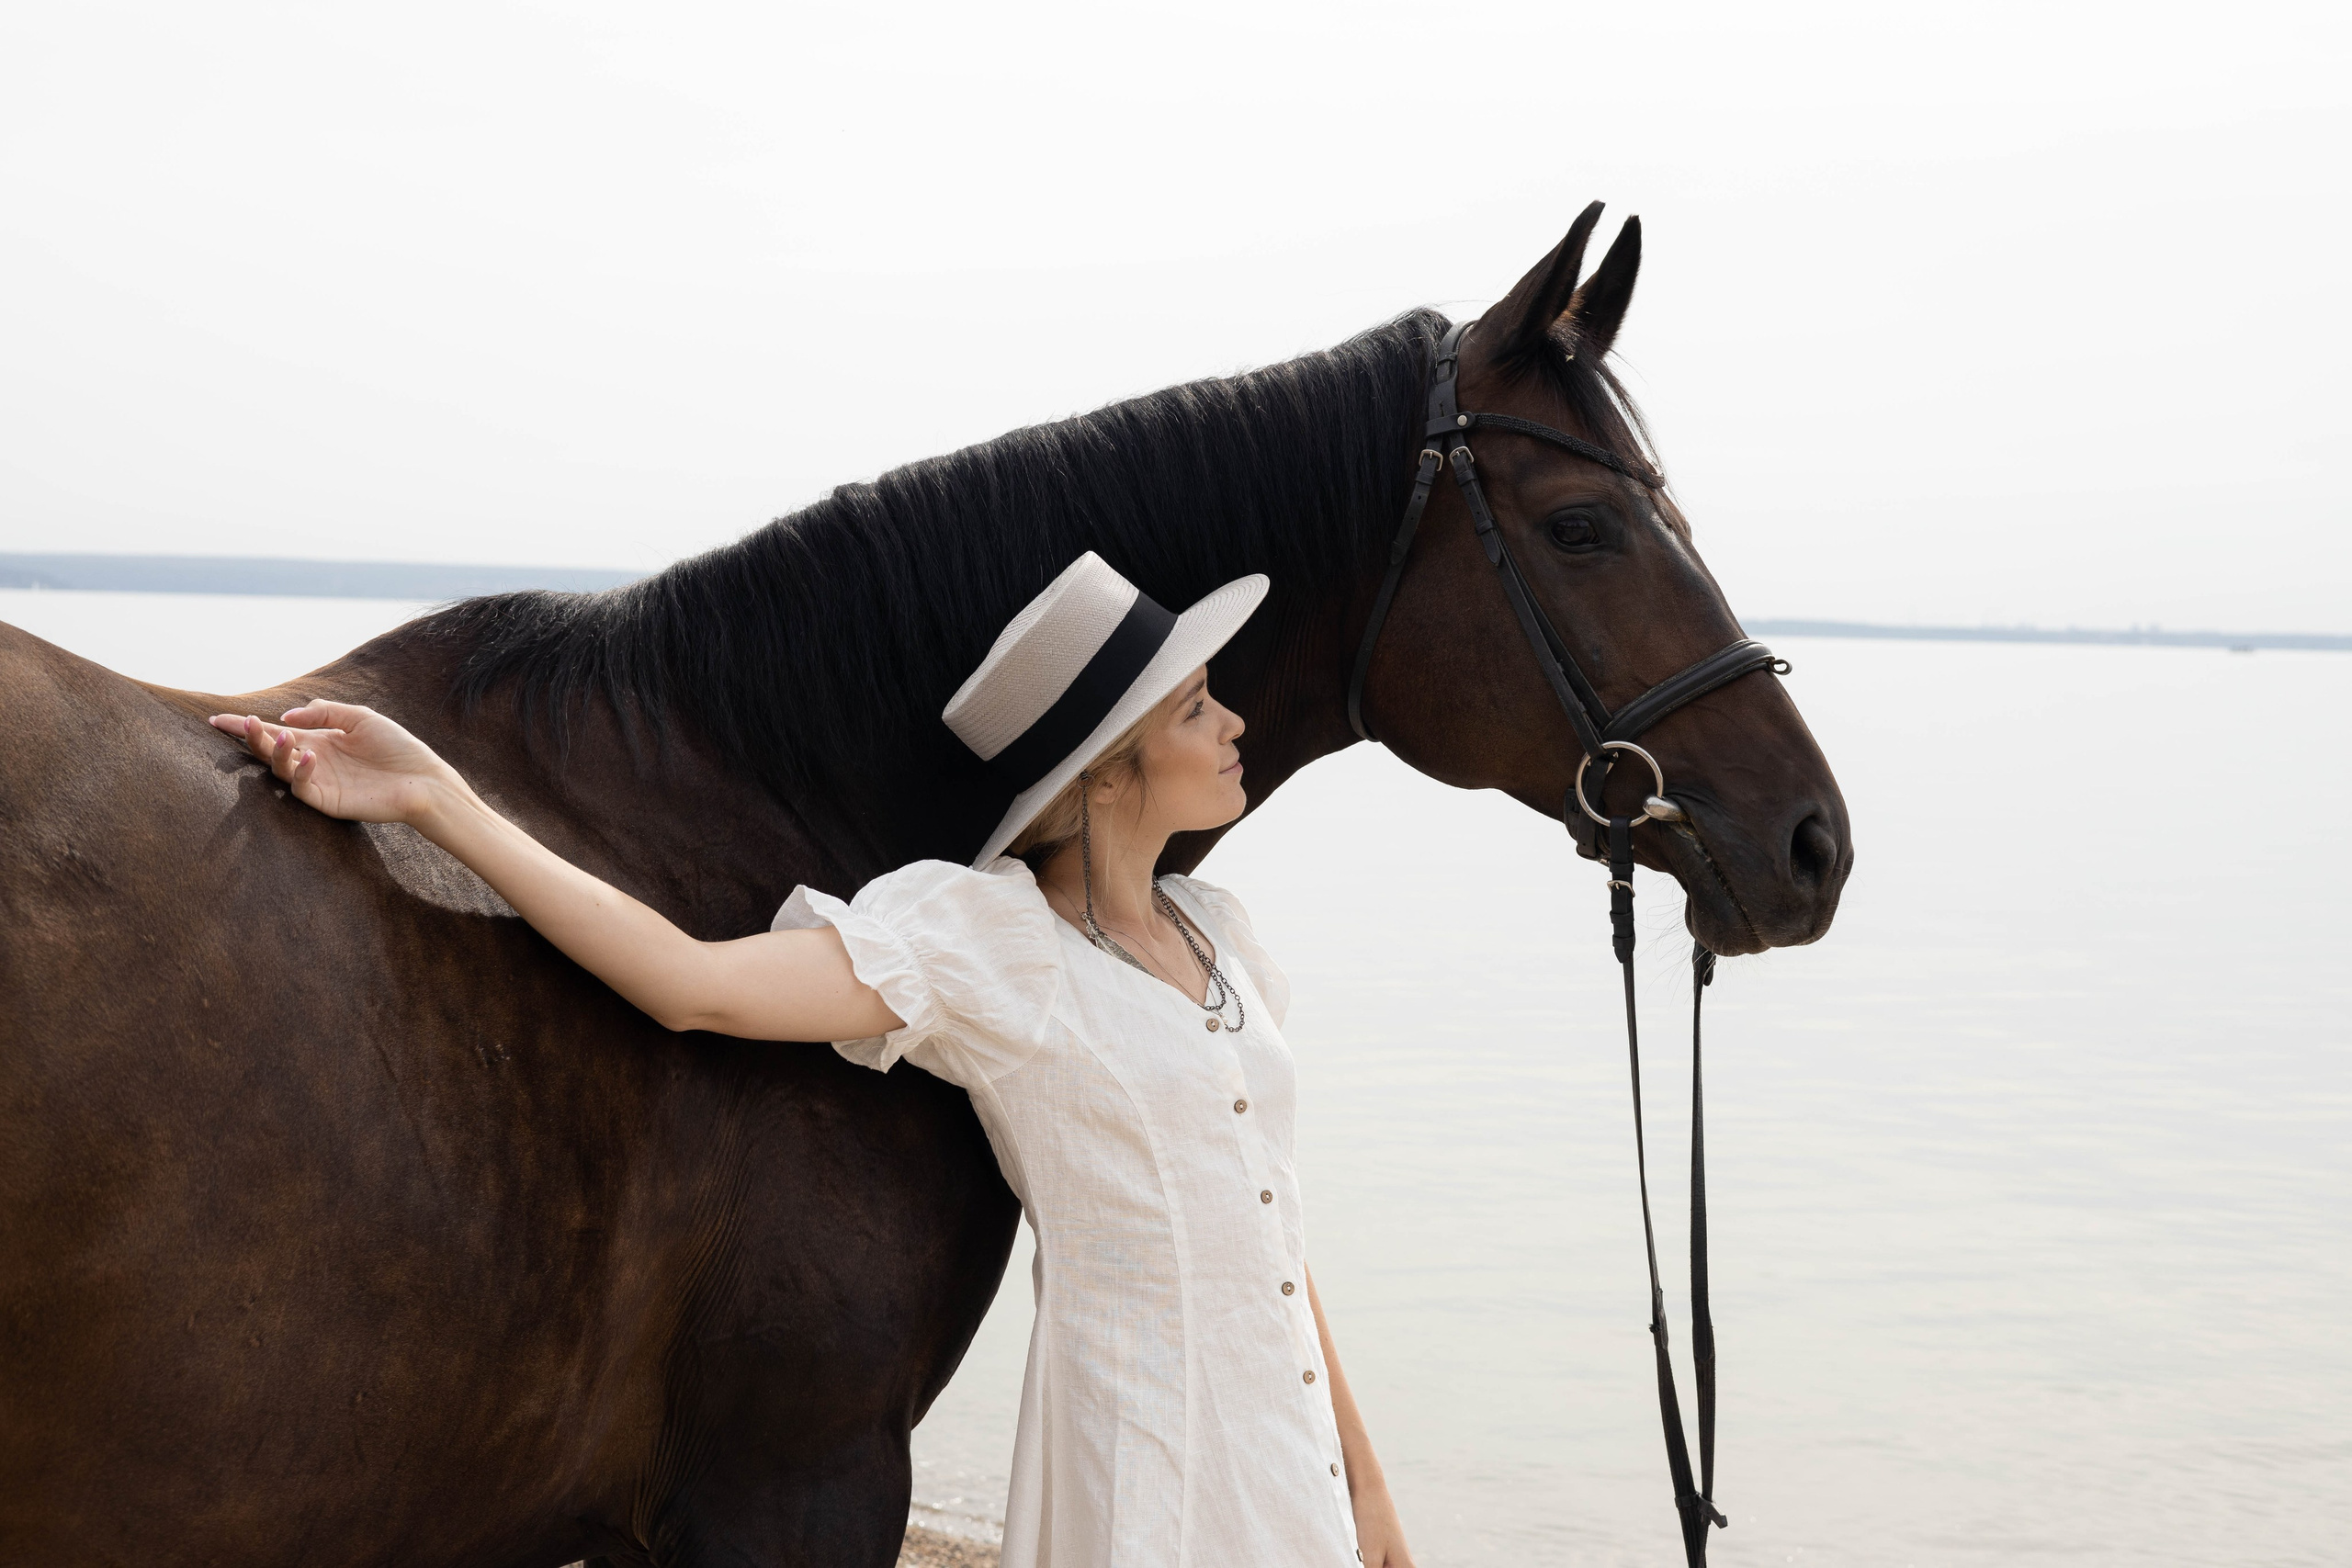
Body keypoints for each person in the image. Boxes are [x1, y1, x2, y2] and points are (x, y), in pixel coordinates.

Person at [212, 551, 1415, 1567]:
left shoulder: (1224, 932)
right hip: (1148, 1463)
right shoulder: (993, 946)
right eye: (1199, 706)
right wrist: (440, 801)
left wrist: (1367, 1490)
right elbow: (697, 988)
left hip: (1290, 1450)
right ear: (1107, 769)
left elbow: (1275, 1237)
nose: (1238, 722)